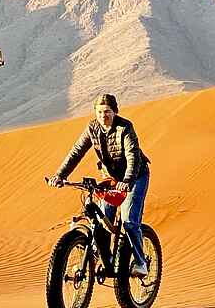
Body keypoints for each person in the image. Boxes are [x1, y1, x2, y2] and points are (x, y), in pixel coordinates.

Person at [49, 92, 152, 276]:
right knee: (103, 219)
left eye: (107, 111)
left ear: (115, 112)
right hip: (110, 178)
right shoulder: (92, 128)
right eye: (99, 112)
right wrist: (60, 175)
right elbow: (76, 152)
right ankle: (106, 258)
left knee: (129, 221)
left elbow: (132, 156)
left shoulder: (125, 127)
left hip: (136, 177)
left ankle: (140, 262)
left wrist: (127, 180)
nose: (103, 116)